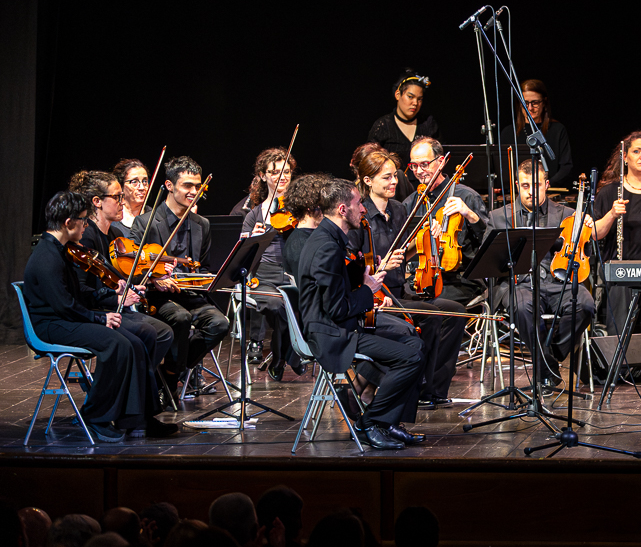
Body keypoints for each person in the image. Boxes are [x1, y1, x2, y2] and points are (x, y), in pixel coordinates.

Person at [20, 192, 177, 442]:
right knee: (117, 344)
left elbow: (75, 294)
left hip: (65, 318)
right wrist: (100, 319)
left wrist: (108, 294)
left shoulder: (61, 250)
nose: (86, 225)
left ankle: (137, 419)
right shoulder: (47, 257)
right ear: (68, 223)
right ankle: (95, 416)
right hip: (51, 325)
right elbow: (65, 306)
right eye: (83, 220)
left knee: (135, 342)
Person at [297, 178, 425, 450]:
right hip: (332, 334)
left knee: (414, 342)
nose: (364, 209)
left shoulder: (331, 239)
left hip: (342, 325)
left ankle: (388, 422)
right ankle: (369, 423)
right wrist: (368, 290)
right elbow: (336, 308)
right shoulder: (326, 247)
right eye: (359, 204)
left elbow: (337, 286)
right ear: (343, 209)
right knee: (411, 357)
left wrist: (359, 274)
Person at [353, 148, 468, 409]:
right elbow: (356, 264)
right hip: (377, 296)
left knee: (455, 311)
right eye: (386, 178)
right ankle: (412, 387)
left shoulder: (397, 209)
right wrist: (382, 264)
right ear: (368, 181)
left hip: (399, 290)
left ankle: (433, 388)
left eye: (395, 176)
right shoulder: (360, 215)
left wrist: (427, 238)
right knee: (430, 315)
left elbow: (405, 252)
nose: (394, 182)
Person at [484, 159, 597, 394]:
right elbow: (488, 261)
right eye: (525, 186)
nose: (531, 191)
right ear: (517, 185)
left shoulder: (567, 214)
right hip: (519, 283)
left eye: (536, 185)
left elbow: (585, 250)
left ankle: (547, 357)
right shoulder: (498, 216)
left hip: (557, 281)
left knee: (585, 304)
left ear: (546, 185)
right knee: (523, 307)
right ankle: (547, 369)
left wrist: (586, 226)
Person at [126, 156, 229, 394]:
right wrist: (155, 278)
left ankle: (170, 372)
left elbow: (202, 267)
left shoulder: (202, 224)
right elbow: (131, 267)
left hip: (190, 294)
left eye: (198, 186)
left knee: (220, 324)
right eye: (187, 185)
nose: (195, 191)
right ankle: (171, 381)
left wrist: (207, 278)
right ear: (169, 186)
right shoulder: (146, 223)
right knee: (180, 318)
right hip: (157, 297)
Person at [66, 171, 177, 391]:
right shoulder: (86, 237)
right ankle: (120, 388)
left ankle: (127, 387)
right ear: (97, 202)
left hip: (113, 307)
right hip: (95, 311)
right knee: (151, 333)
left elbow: (118, 278)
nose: (122, 202)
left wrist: (143, 282)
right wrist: (116, 297)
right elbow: (81, 289)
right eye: (117, 197)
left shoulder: (115, 235)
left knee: (164, 332)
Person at [593, 131, 641, 343]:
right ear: (625, 157)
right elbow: (594, 233)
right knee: (621, 289)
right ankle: (618, 350)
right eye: (637, 151)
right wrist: (611, 214)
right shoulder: (610, 192)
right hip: (621, 268)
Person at [239, 147, 301, 380]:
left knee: (305, 304)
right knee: (278, 306)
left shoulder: (299, 210)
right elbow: (241, 253)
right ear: (263, 176)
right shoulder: (254, 215)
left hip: (292, 273)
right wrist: (253, 239)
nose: (282, 176)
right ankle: (285, 357)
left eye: (286, 171)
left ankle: (283, 357)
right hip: (263, 276)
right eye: (274, 172)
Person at [404, 137, 489, 307]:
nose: (419, 171)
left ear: (441, 162)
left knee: (435, 306)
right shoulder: (410, 204)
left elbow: (488, 244)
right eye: (414, 165)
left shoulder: (467, 196)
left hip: (459, 281)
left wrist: (471, 216)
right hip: (420, 278)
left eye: (424, 164)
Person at [367, 71, 437, 198]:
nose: (415, 103)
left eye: (419, 99)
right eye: (410, 97)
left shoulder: (428, 124)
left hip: (425, 188)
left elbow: (439, 157)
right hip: (394, 192)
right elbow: (370, 163)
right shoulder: (383, 126)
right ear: (398, 95)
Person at [499, 78, 575, 187]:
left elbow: (566, 167)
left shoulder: (557, 130)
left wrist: (546, 185)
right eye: (525, 103)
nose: (530, 108)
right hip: (518, 192)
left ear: (544, 102)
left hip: (549, 190)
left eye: (535, 103)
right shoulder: (508, 133)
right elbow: (502, 168)